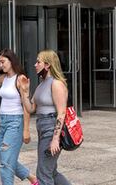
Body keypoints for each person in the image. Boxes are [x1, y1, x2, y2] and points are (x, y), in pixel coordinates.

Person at [0, 49, 39, 185]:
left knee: (5, 163)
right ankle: (33, 179)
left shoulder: (20, 79)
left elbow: (26, 106)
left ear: (11, 61)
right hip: (3, 122)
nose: (1, 65)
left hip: (15, 123)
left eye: (3, 61)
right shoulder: (3, 78)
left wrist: (26, 130)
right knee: (4, 158)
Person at [18, 50, 71, 185]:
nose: (35, 65)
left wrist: (55, 139)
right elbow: (31, 109)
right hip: (42, 128)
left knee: (43, 174)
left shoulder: (56, 84)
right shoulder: (41, 85)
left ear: (47, 65)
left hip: (51, 129)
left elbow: (61, 113)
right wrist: (24, 92)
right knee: (51, 171)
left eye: (38, 62)